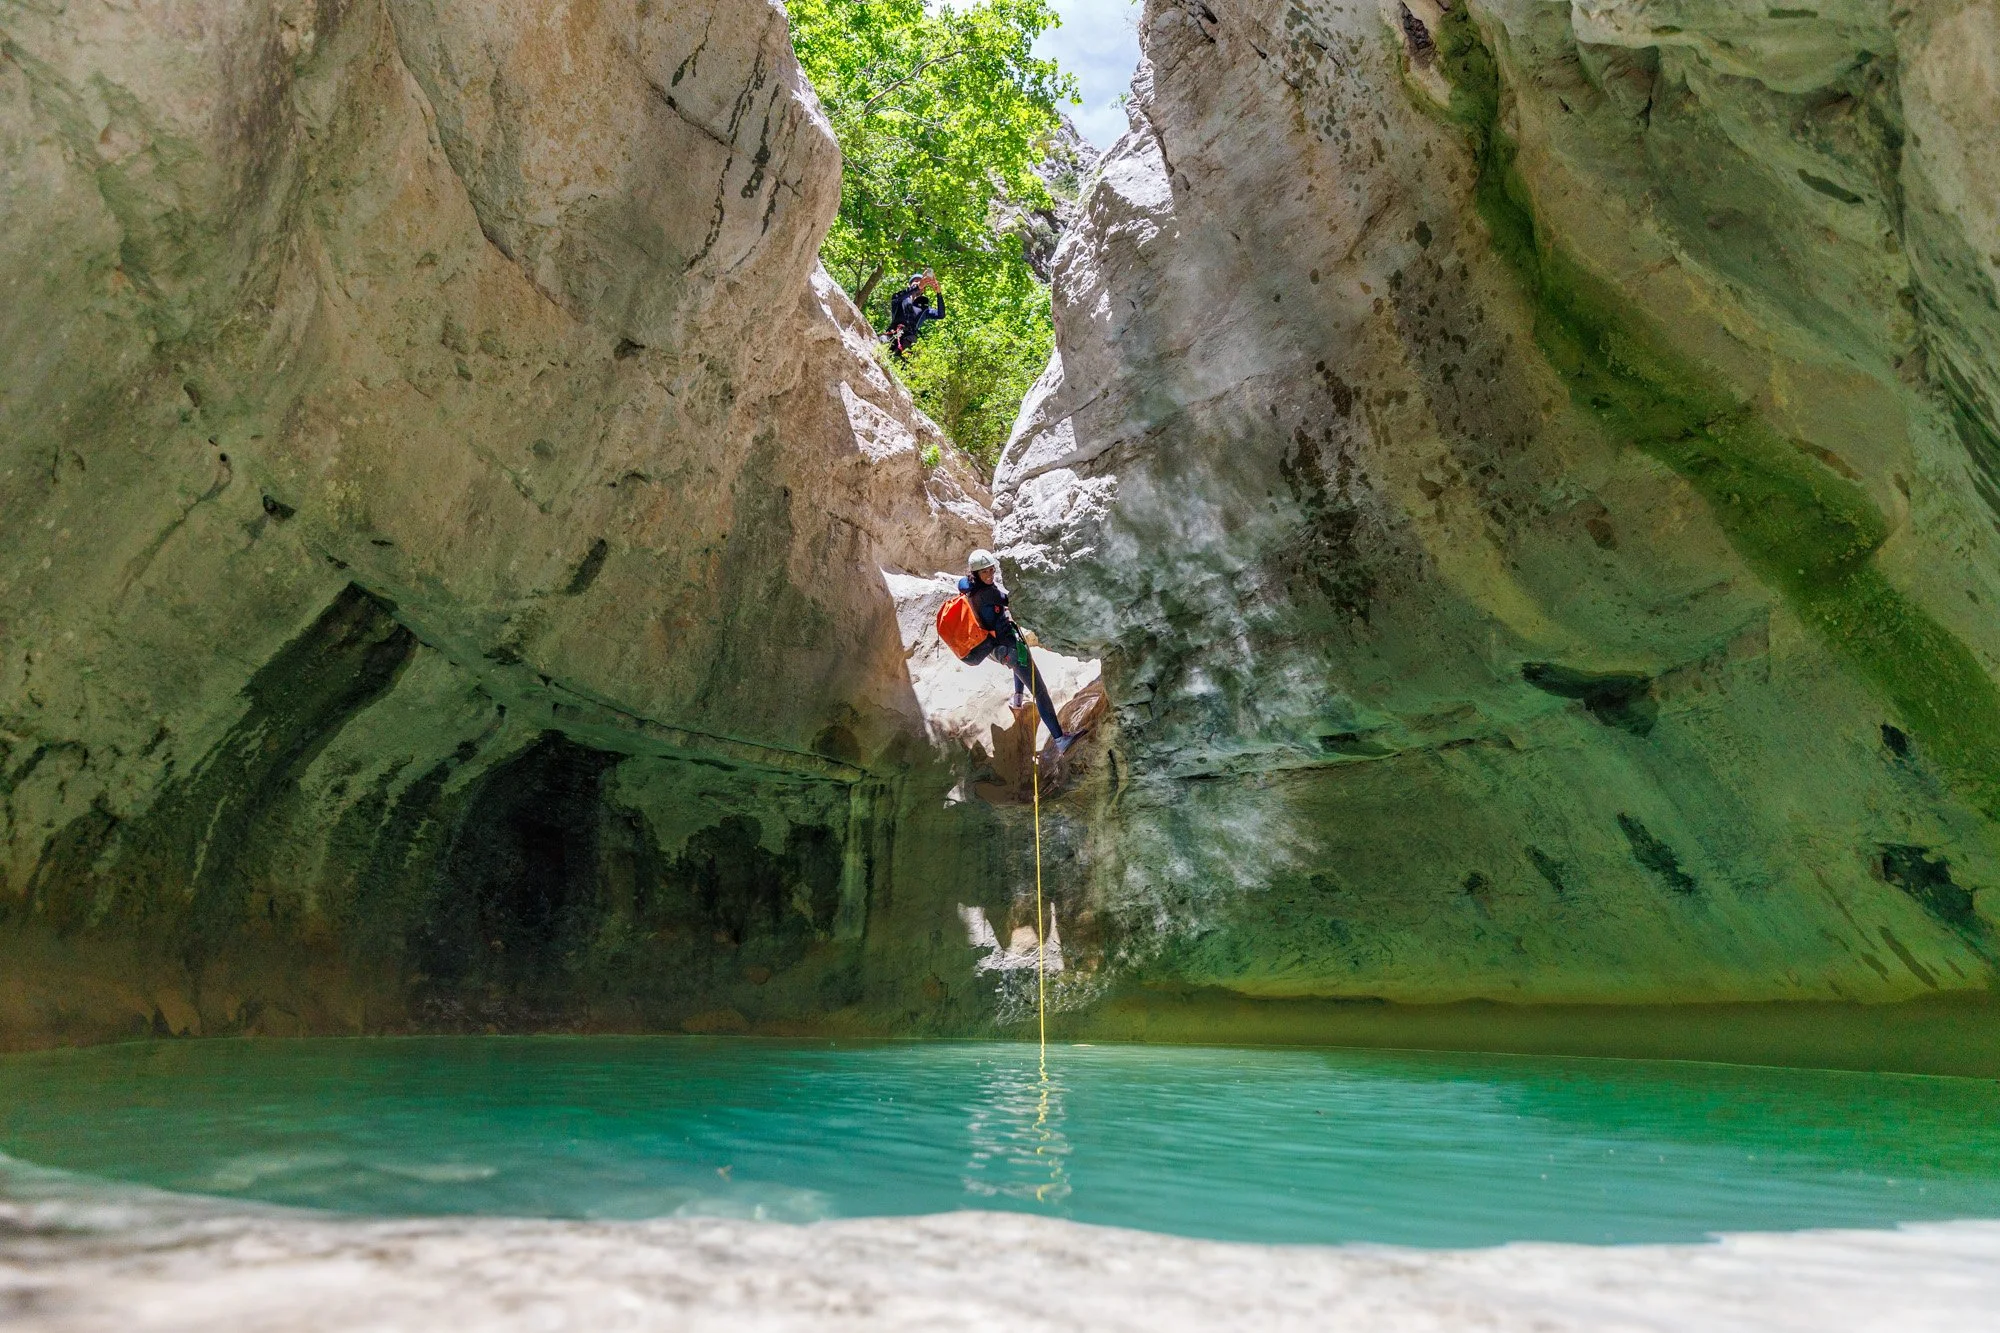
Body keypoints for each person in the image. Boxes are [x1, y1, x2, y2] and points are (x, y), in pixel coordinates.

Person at [959, 549, 1076, 755]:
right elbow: (1013, 600)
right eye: (984, 572)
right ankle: (1060, 739)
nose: (989, 575)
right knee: (1039, 691)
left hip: (995, 650)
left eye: (991, 570)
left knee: (1019, 664)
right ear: (976, 574)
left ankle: (1018, 700)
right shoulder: (989, 593)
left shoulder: (970, 590)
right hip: (1008, 648)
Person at [886, 271, 945, 358]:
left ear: (923, 289)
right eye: (916, 281)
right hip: (892, 333)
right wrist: (917, 287)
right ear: (909, 285)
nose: (918, 282)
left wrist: (939, 293)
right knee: (881, 343)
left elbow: (941, 315)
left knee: (906, 362)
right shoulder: (899, 299)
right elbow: (898, 296)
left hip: (909, 339)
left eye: (920, 281)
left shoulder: (924, 309)